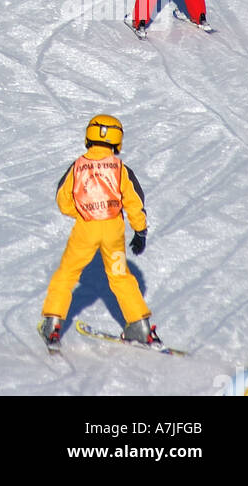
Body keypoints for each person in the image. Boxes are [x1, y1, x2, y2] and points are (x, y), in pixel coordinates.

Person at [39, 115, 159, 349]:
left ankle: (53, 323)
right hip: (113, 229)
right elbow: (134, 201)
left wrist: (83, 210)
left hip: (86, 227)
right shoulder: (120, 168)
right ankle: (139, 326)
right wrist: (140, 231)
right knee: (120, 276)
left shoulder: (77, 167)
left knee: (68, 273)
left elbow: (63, 201)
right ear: (117, 140)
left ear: (89, 137)